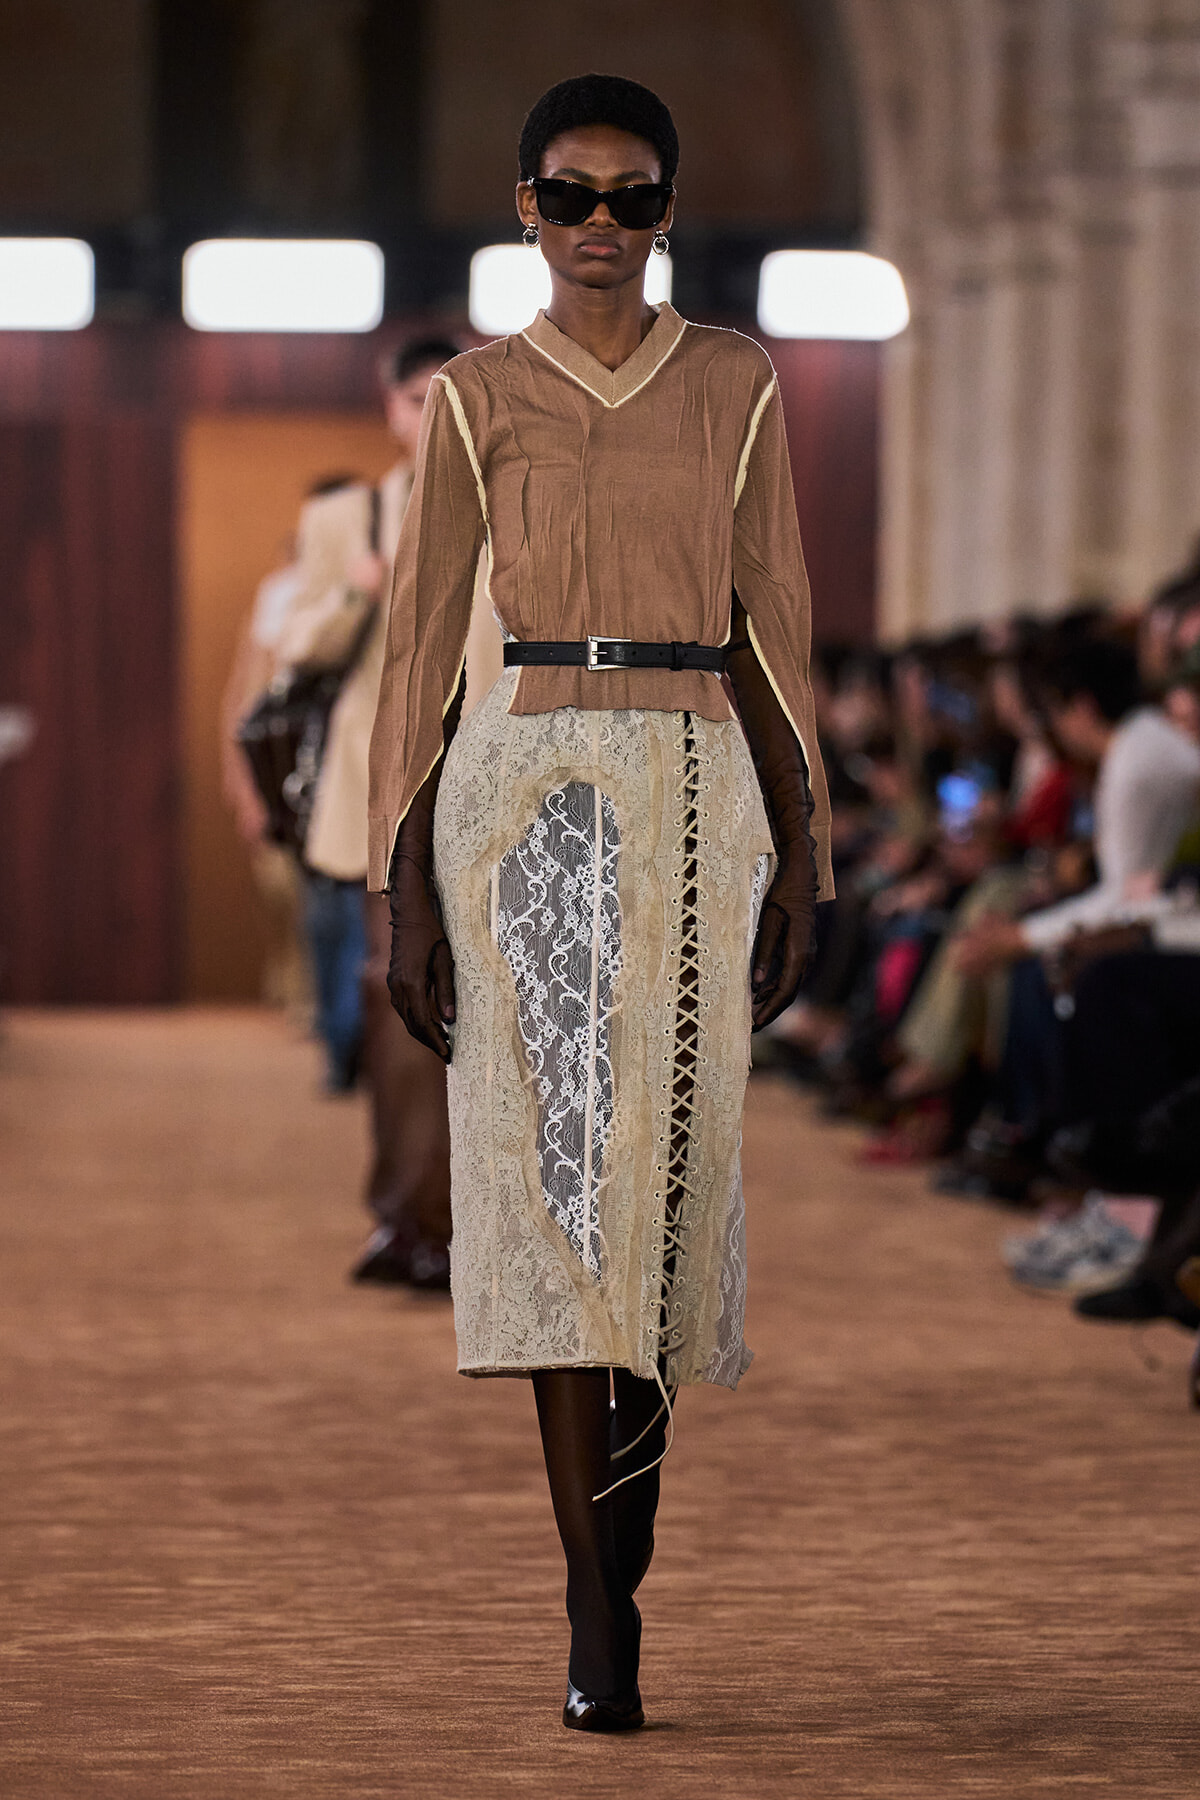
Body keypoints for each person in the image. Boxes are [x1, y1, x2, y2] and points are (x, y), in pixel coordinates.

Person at [368, 74, 832, 1730]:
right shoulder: (477, 399)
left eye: (634, 201)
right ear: (523, 206)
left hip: (703, 799)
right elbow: (423, 648)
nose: (601, 231)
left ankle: (621, 1550)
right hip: (530, 807)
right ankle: (593, 1605)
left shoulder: (736, 384)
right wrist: (398, 888)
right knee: (562, 1204)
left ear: (668, 216)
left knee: (663, 1200)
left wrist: (812, 848)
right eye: (573, 197)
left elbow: (774, 620)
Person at [276, 336, 474, 1287]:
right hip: (379, 792)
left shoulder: (521, 505)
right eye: (415, 398)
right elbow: (293, 647)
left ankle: (472, 1223)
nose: (432, 413)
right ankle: (409, 1218)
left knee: (499, 1015)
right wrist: (360, 592)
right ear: (389, 410)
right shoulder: (343, 518)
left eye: (450, 395)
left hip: (498, 783)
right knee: (402, 1005)